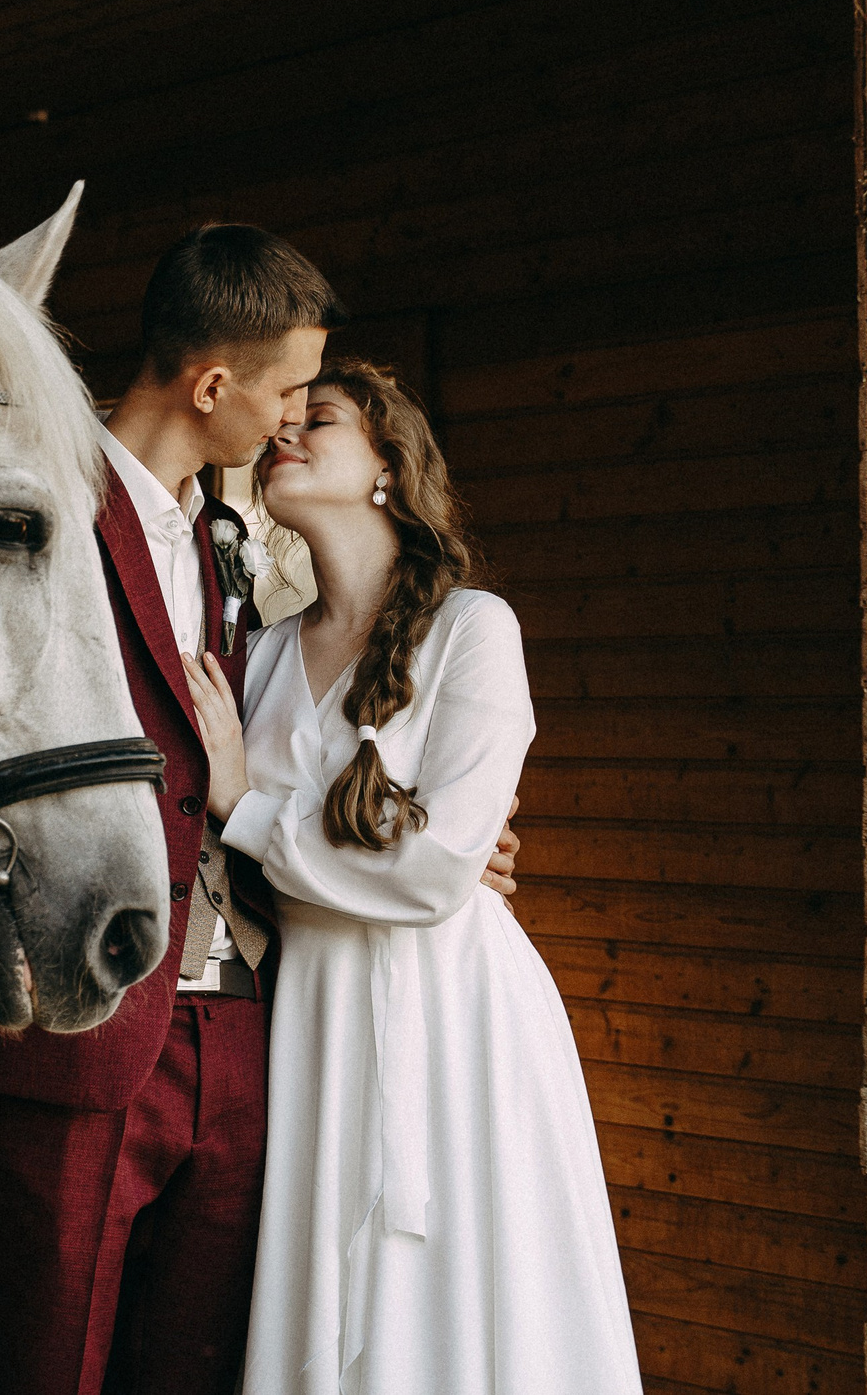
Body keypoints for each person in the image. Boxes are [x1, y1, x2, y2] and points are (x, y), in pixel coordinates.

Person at [0, 230, 519, 1395]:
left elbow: (328, 752)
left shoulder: (240, 551)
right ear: (214, 387)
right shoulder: (23, 509)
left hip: (255, 1039)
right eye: (288, 394)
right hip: (69, 1033)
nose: (292, 420)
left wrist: (436, 847)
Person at [184, 358, 642, 1395]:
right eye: (283, 421)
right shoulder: (254, 658)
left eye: (320, 419)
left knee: (463, 1304)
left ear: (387, 464)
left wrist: (247, 806)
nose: (285, 433)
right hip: (308, 1014)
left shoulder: (474, 631)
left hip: (451, 1015)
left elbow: (437, 874)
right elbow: (229, 862)